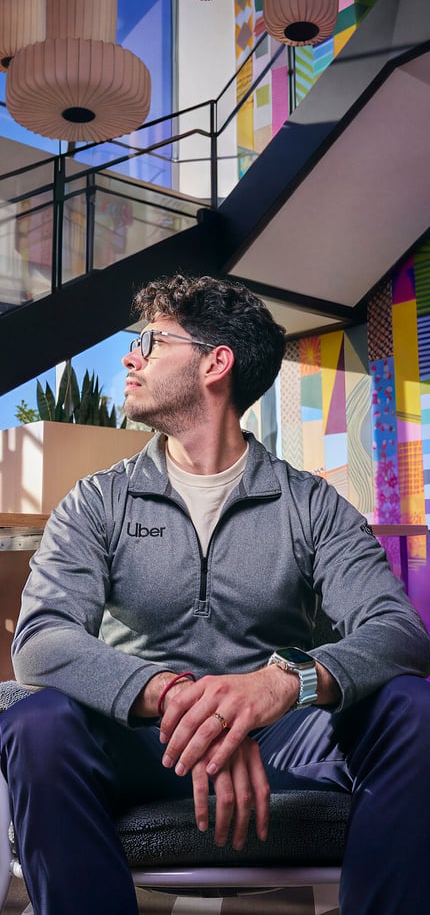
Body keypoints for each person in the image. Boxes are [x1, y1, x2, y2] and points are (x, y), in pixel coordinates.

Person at [1, 273, 430, 915]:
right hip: (143, 742)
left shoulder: (311, 504)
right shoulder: (97, 502)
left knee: (414, 708)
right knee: (36, 722)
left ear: (215, 363)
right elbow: (42, 640)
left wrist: (286, 685)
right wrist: (180, 701)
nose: (130, 356)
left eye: (151, 340)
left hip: (287, 736)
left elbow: (398, 633)